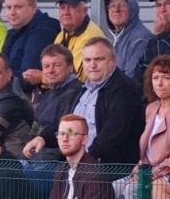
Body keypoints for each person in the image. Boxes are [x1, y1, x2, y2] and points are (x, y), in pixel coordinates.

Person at [24, 40, 144, 169]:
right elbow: (71, 127)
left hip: (107, 169)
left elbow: (111, 134)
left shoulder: (124, 89)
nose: (92, 65)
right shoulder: (84, 89)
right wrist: (44, 139)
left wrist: (85, 162)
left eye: (99, 59)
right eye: (87, 60)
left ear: (113, 60)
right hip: (78, 165)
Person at [0, 0, 59, 93]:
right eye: (8, 7)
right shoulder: (13, 31)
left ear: (33, 8)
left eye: (18, 7)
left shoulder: (42, 32)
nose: (12, 12)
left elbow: (26, 80)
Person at [105, 0, 149, 82]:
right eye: (112, 6)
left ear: (133, 9)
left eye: (123, 5)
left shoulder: (141, 38)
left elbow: (130, 78)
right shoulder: (109, 37)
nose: (116, 10)